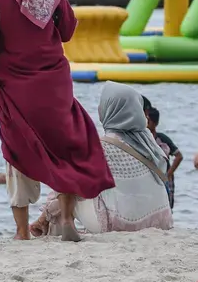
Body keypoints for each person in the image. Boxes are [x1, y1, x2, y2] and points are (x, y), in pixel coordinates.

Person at [0, 0, 114, 242]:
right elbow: (66, 32)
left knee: (17, 149)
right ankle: (65, 218)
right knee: (63, 147)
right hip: (54, 83)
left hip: (15, 85)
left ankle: (22, 231)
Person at [29, 82, 172, 235]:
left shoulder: (101, 147)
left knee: (67, 186)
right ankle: (49, 223)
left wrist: (47, 212)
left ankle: (49, 228)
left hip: (120, 224)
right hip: (161, 219)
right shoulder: (148, 142)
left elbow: (73, 184)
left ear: (110, 110)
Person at [146, 106, 183, 209]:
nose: (146, 123)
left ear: (155, 123)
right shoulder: (143, 139)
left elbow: (179, 156)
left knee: (167, 206)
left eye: (148, 121)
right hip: (149, 178)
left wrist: (168, 174)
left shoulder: (162, 139)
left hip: (165, 178)